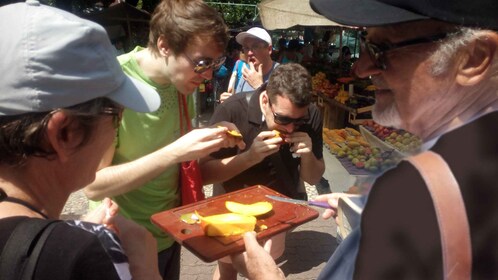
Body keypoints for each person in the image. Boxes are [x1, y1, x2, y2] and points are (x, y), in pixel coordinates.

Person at [231, 0, 498, 279]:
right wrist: (366, 208)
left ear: (473, 59)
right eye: (365, 42)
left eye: (382, 50)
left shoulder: (429, 195)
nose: (362, 67)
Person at [0, 1, 162, 279]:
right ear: (65, 134)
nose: (116, 129)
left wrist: (69, 229)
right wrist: (146, 270)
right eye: (116, 114)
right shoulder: (82, 257)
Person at [83, 0, 244, 279]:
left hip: (170, 232)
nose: (208, 75)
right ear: (165, 45)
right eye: (202, 62)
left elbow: (182, 162)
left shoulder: (180, 84)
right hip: (123, 241)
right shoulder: (113, 85)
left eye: (215, 63)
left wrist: (213, 137)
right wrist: (174, 152)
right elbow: (93, 185)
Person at [201, 63, 325, 279]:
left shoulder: (312, 115)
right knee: (227, 269)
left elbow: (313, 177)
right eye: (283, 119)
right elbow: (203, 173)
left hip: (276, 209)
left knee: (264, 268)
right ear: (265, 100)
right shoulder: (232, 109)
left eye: (299, 121)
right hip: (230, 207)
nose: (290, 128)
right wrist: (249, 157)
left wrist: (308, 155)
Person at [219, 27, 280, 102]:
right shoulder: (246, 74)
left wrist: (258, 86)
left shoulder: (283, 75)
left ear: (269, 49)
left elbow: (283, 111)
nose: (249, 53)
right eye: (246, 48)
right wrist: (230, 103)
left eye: (255, 47)